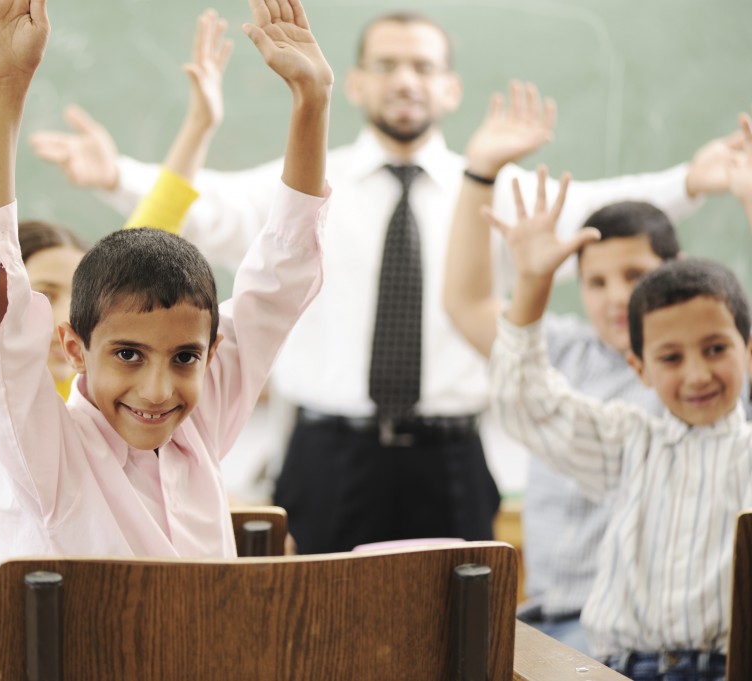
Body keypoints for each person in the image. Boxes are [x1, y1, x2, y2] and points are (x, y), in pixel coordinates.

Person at [43, 11, 740, 553]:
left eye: (423, 66)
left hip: (452, 454)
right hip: (325, 452)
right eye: (388, 65)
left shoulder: (490, 187)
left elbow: (593, 210)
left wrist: (690, 181)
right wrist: (116, 176)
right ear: (360, 81)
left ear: (450, 87)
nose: (406, 80)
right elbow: (207, 206)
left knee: (458, 637)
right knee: (313, 639)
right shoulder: (304, 178)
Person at [0, 0, 331, 565]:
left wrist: (312, 102)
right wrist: (3, 85)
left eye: (184, 358)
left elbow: (282, 277)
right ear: (74, 348)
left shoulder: (201, 419)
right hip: (83, 659)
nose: (156, 389)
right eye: (128, 354)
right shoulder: (46, 453)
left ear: (211, 353)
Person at [0, 0, 232, 506]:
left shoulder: (97, 400)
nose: (60, 317)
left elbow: (143, 260)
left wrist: (199, 127)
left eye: (73, 303)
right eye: (42, 295)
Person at [442, 84, 686, 653]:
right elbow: (466, 304)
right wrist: (481, 173)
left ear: (675, 271)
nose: (614, 297)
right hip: (545, 619)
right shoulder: (559, 350)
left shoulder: (698, 372)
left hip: (638, 635)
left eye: (636, 275)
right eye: (597, 282)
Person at [486, 170, 752, 678]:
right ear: (641, 369)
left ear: (748, 351)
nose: (697, 374)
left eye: (716, 349)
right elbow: (526, 403)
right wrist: (533, 284)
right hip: (619, 668)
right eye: (670, 358)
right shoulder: (629, 440)